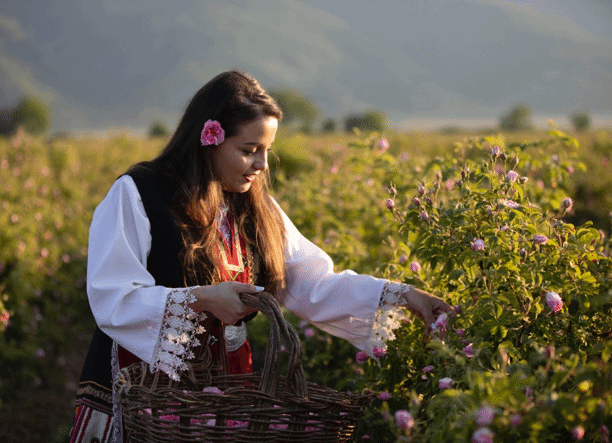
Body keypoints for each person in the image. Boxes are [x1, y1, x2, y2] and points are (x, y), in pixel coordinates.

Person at [68, 70, 452, 443]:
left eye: (266, 151)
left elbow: (313, 284)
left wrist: (404, 296)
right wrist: (203, 299)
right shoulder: (139, 194)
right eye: (249, 151)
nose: (262, 165)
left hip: (225, 392)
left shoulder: (256, 209)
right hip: (143, 389)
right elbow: (112, 296)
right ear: (209, 139)